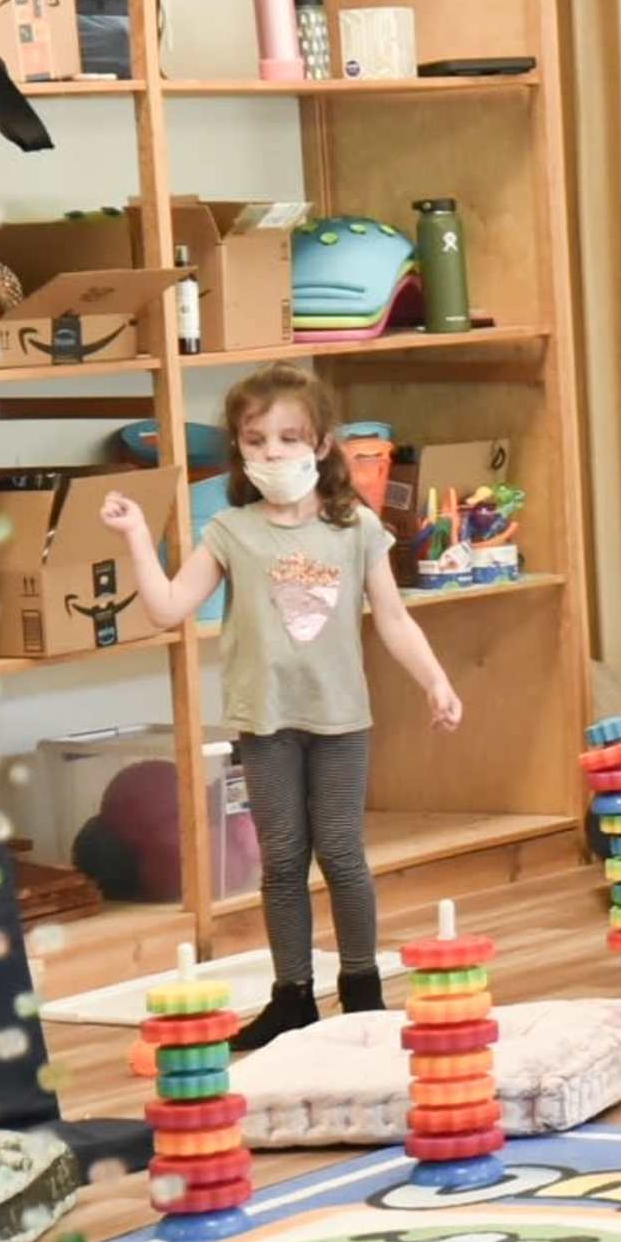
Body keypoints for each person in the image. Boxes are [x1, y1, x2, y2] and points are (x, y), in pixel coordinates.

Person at [99, 366, 461, 1051]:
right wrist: (139, 538)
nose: (272, 453)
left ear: (322, 444)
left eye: (289, 439)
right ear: (240, 450)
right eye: (256, 441)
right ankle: (292, 996)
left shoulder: (356, 529)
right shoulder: (232, 532)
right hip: (264, 723)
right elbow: (168, 607)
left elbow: (393, 619)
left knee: (343, 854)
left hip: (341, 722)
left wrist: (435, 681)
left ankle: (362, 991)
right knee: (284, 861)